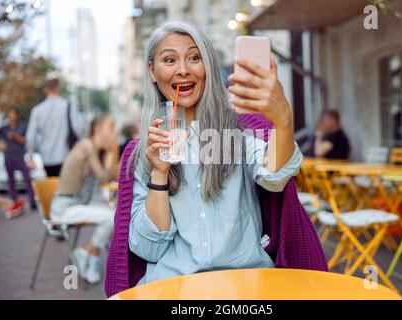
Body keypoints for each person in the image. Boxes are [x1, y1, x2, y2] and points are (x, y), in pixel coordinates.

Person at [127, 21, 303, 285]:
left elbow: (275, 177)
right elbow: (147, 249)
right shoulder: (148, 150)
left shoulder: (238, 132)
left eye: (194, 57)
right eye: (169, 60)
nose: (183, 70)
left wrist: (283, 119)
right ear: (152, 71)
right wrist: (159, 174)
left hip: (244, 284)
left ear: (207, 66)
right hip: (174, 286)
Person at [50, 114, 119, 284]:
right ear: (98, 129)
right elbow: (104, 178)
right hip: (63, 207)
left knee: (116, 215)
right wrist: (113, 153)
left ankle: (89, 254)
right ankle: (89, 254)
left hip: (76, 205)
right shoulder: (86, 146)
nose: (114, 134)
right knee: (112, 217)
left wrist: (111, 155)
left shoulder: (94, 150)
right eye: (111, 128)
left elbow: (111, 177)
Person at [26, 78, 84, 177]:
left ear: (46, 90)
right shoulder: (68, 106)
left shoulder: (37, 110)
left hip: (46, 158)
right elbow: (79, 130)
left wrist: (31, 159)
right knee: (66, 188)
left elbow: (30, 137)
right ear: (59, 88)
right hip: (66, 156)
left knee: (53, 186)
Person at [0, 107, 36, 218]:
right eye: (10, 114)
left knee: (28, 179)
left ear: (16, 115)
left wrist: (15, 136)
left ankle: (32, 203)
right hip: (8, 157)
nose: (12, 116)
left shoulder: (22, 126)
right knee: (11, 182)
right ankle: (15, 204)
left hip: (20, 157)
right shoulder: (3, 129)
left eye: (14, 114)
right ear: (8, 116)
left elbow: (27, 140)